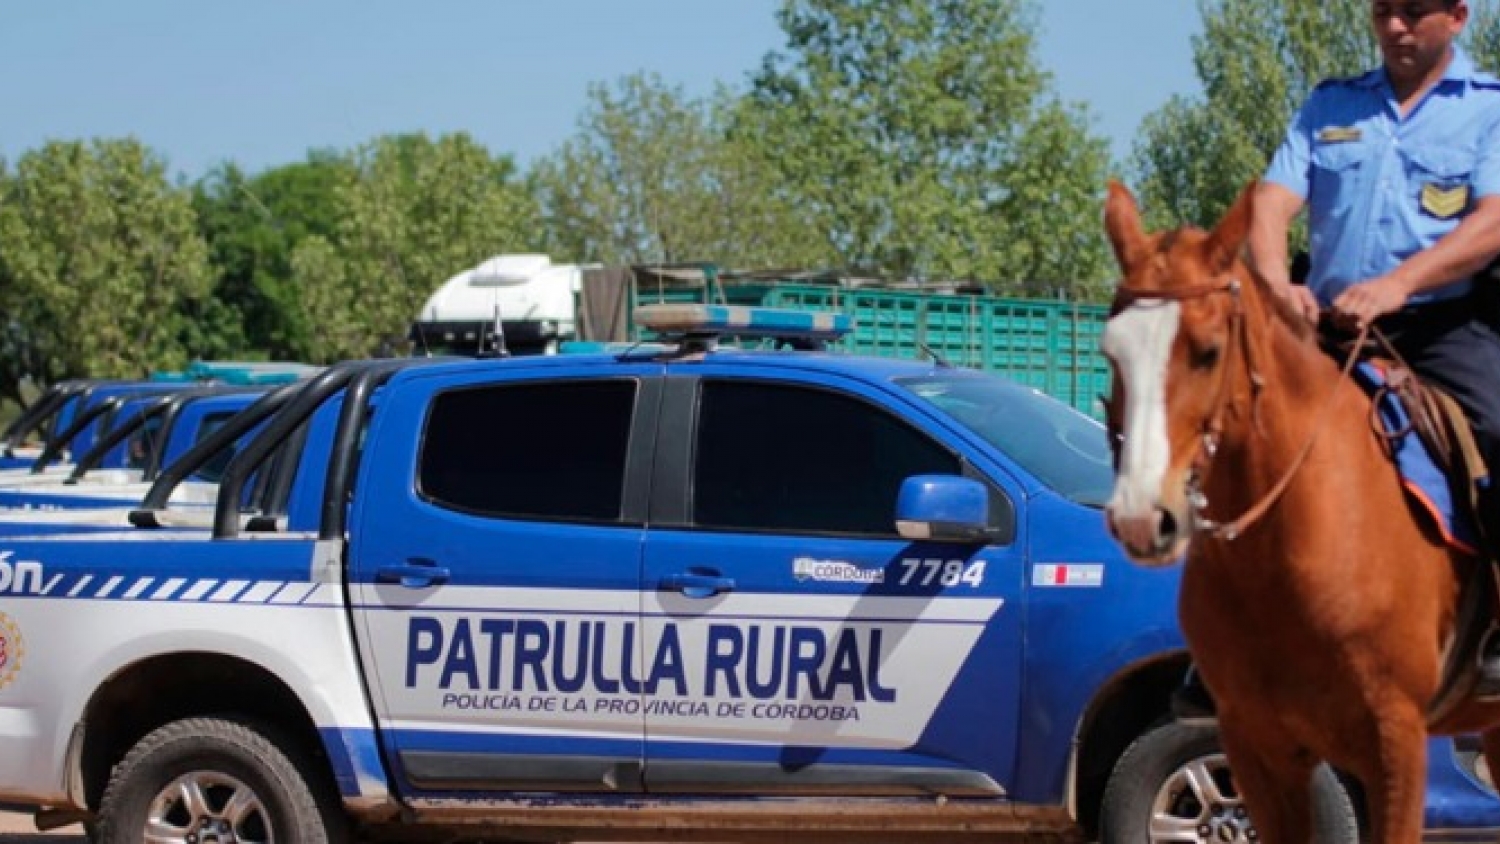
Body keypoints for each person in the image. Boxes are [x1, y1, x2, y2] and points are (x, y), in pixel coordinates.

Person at [1176, 0, 1500, 722]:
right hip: (1321, 326)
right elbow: (1270, 206)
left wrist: (1398, 285)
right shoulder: (1330, 105)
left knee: (1499, 433)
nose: (1395, 27)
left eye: (1415, 12)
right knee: (1231, 436)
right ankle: (1219, 648)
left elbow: (1493, 221)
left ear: (1458, 17)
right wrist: (1273, 283)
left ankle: (1493, 638)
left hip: (1440, 328)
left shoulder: (1487, 110)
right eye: (1384, 11)